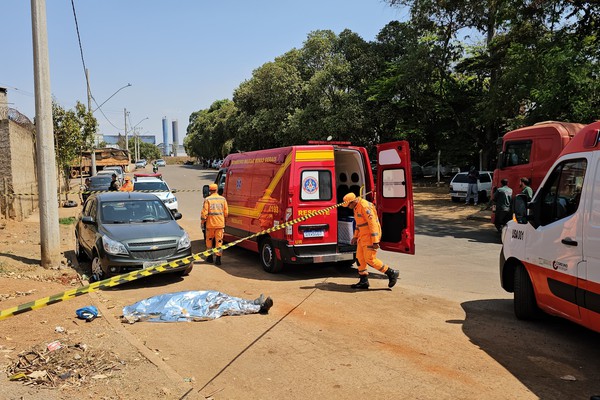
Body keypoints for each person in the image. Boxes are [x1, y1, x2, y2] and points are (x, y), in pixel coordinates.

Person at [342, 192, 399, 289]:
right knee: (360, 258)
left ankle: (391, 272)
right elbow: (359, 224)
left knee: (370, 259)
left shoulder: (364, 206)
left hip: (369, 237)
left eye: (348, 205)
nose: (348, 207)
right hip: (362, 236)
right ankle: (363, 281)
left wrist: (375, 241)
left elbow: (372, 224)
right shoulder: (356, 207)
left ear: (353, 201)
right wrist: (355, 237)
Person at [201, 183, 229, 266]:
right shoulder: (223, 199)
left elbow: (204, 213)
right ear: (216, 190)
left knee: (209, 240)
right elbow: (226, 213)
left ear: (210, 190)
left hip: (210, 224)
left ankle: (210, 257)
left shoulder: (207, 199)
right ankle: (218, 259)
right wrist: (224, 221)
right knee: (219, 241)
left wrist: (203, 222)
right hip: (220, 224)